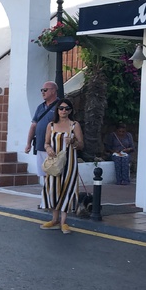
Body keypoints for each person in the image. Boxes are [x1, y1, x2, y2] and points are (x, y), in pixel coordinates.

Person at [41, 99, 84, 235]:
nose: (63, 111)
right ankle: (54, 219)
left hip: (69, 162)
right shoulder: (51, 125)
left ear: (70, 110)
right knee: (53, 188)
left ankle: (64, 221)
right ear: (57, 110)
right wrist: (48, 149)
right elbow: (46, 143)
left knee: (67, 188)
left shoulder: (74, 125)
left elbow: (81, 144)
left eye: (66, 108)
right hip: (55, 162)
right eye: (61, 108)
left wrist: (73, 141)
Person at [24, 81, 59, 186]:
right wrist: (28, 143)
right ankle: (46, 199)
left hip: (53, 148)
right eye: (41, 90)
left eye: (45, 90)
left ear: (53, 91)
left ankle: (54, 199)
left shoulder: (60, 106)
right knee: (43, 175)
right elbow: (33, 125)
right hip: (40, 146)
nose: (42, 92)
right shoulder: (40, 107)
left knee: (53, 175)